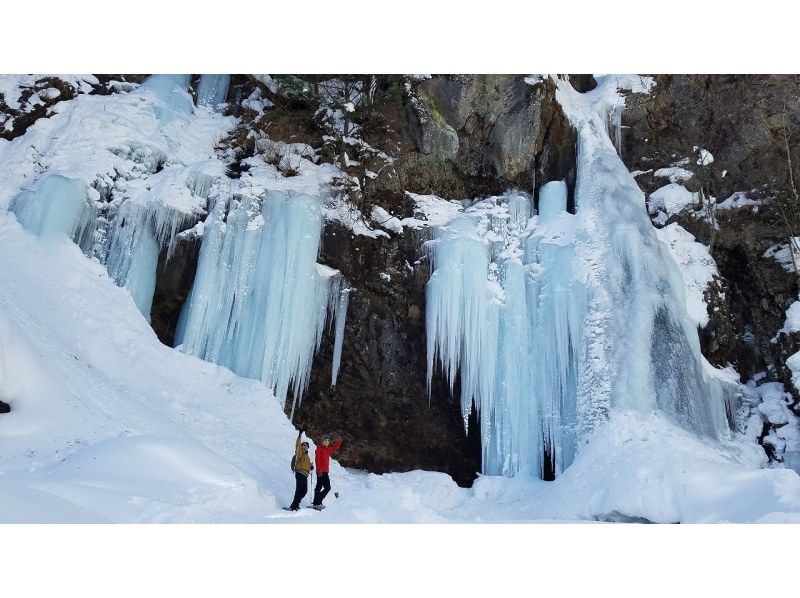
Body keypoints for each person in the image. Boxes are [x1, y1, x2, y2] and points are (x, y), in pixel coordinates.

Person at [311, 433, 342, 510]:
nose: (326, 442)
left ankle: (318, 501)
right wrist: (319, 470)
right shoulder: (319, 449)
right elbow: (317, 461)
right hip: (320, 471)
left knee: (327, 487)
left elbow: (334, 448)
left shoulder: (327, 449)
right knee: (319, 487)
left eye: (328, 440)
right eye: (325, 440)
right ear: (322, 441)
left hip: (325, 472)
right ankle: (316, 503)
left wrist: (339, 442)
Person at [288, 429, 313, 511]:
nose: (305, 446)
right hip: (299, 473)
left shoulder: (307, 456)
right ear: (302, 446)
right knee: (299, 490)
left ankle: (296, 504)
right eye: (304, 445)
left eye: (306, 446)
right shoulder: (300, 452)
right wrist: (299, 436)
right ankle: (293, 506)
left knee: (304, 491)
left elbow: (307, 465)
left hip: (305, 475)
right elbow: (297, 445)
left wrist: (311, 467)